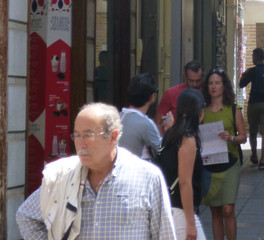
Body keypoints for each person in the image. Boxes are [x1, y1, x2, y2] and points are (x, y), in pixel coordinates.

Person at [17, 102, 176, 240]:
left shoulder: (147, 177)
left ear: (113, 137)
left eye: (88, 136)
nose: (81, 144)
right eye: (77, 136)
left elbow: (164, 234)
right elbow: (26, 216)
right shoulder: (64, 175)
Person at [201, 68, 246, 240]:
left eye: (217, 83)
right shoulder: (202, 111)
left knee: (228, 209)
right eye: (211, 83)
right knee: (215, 211)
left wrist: (231, 138)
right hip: (210, 164)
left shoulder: (234, 109)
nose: (213, 87)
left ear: (223, 86)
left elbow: (243, 137)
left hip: (230, 163)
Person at [157, 88, 207, 240]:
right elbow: (184, 182)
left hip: (169, 206)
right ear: (200, 113)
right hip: (180, 212)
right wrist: (190, 223)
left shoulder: (172, 134)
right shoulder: (188, 138)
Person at [120, 72, 162, 159]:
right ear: (153, 96)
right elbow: (161, 150)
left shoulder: (116, 117)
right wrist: (170, 130)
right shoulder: (146, 124)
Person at [158, 61, 204, 132]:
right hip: (174, 138)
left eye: (198, 81)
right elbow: (158, 121)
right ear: (185, 77)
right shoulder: (170, 93)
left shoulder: (205, 92)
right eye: (191, 81)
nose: (194, 84)